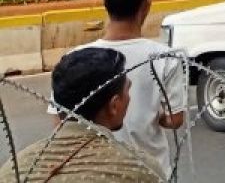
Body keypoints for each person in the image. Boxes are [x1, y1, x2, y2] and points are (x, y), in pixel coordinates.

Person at [72, 0, 187, 179]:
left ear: (106, 6)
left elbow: (61, 122)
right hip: (151, 173)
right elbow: (175, 119)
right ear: (145, 6)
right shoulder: (165, 57)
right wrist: (150, 112)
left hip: (94, 173)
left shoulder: (76, 58)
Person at [1, 47, 159, 183]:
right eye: (127, 90)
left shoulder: (13, 169)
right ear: (114, 105)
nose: (129, 98)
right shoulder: (141, 169)